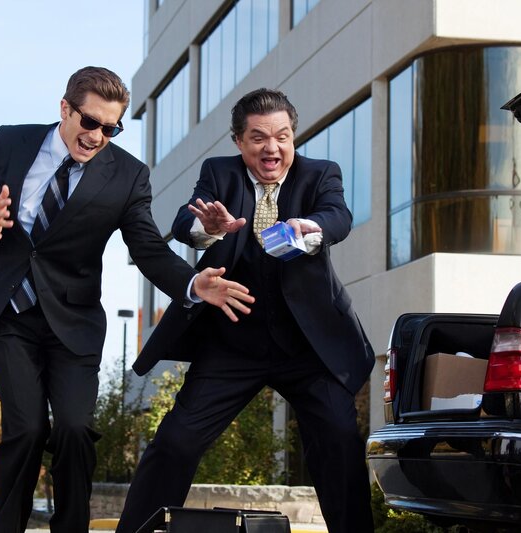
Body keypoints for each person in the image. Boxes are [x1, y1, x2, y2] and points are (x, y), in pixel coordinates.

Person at [0, 66, 253, 533]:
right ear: (65, 108)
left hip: (73, 323)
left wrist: (191, 284)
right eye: (90, 122)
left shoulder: (128, 175)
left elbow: (148, 248)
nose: (97, 136)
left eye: (111, 128)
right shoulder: (10, 142)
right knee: (27, 429)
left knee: (75, 429)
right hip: (10, 313)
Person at [116, 88, 377, 533]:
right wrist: (206, 227)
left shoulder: (320, 174)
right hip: (232, 344)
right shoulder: (220, 174)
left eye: (282, 136)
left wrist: (309, 226)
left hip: (309, 347)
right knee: (176, 441)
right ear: (239, 141)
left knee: (338, 439)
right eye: (258, 138)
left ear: (293, 137)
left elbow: (338, 216)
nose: (272, 148)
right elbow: (185, 222)